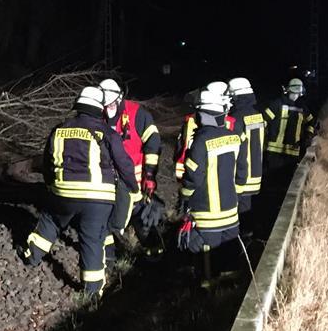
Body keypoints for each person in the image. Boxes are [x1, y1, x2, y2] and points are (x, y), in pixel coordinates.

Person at [23, 87, 139, 297]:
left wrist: (51, 186)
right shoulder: (106, 133)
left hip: (63, 193)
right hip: (98, 200)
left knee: (51, 220)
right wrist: (133, 186)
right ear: (99, 110)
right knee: (92, 240)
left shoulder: (59, 129)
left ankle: (32, 256)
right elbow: (124, 165)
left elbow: (47, 163)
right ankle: (92, 292)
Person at [178, 90, 248, 284]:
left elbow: (192, 178)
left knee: (206, 263)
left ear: (202, 114)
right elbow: (242, 170)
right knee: (229, 260)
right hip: (231, 212)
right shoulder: (235, 138)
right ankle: (227, 294)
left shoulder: (200, 142)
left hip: (206, 215)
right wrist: (238, 197)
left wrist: (184, 196)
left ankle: (207, 294)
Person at [98, 78, 161, 264]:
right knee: (104, 218)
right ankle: (109, 259)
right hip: (106, 181)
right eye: (104, 104)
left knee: (141, 216)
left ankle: (155, 253)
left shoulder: (137, 113)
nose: (107, 108)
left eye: (110, 104)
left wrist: (149, 175)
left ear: (119, 98)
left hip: (135, 183)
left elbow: (154, 142)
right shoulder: (96, 114)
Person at [261, 78, 315, 208]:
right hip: (284, 153)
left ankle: (270, 209)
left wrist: (308, 135)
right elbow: (311, 123)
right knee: (277, 185)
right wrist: (307, 135)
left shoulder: (278, 104)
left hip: (277, 153)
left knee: (276, 185)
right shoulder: (301, 108)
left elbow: (263, 121)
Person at [174, 81, 237, 181]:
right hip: (218, 180)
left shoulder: (191, 120)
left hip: (195, 176)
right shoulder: (231, 123)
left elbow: (182, 147)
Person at [227, 77, 265, 239]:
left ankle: (239, 245)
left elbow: (234, 148)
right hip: (255, 171)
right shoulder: (257, 115)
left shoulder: (237, 118)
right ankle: (248, 235)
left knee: (239, 213)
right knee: (248, 210)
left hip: (240, 175)